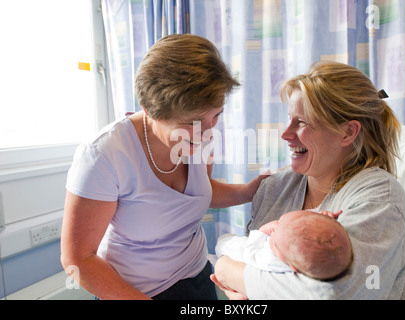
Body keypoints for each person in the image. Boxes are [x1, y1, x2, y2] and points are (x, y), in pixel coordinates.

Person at [60, 34, 266, 300]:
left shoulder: (200, 137)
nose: (206, 132)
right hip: (133, 291)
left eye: (215, 115)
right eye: (192, 121)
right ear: (150, 111)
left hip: (196, 275)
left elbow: (197, 192)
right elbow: (78, 259)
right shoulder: (104, 156)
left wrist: (248, 191)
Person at [211, 61, 405, 300]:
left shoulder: (380, 198)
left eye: (302, 122)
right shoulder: (275, 188)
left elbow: (329, 294)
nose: (285, 134)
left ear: (347, 133)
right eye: (289, 119)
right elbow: (249, 256)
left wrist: (226, 269)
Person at [214, 210, 353, 281]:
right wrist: (323, 216)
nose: (276, 225)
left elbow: (251, 252)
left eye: (274, 240)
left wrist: (263, 231)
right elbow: (304, 226)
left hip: (234, 250)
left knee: (223, 243)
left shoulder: (270, 260)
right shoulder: (298, 254)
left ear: (293, 268)